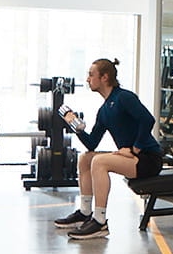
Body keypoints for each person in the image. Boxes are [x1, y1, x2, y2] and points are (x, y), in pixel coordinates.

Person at [54, 58, 163, 240]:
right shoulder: (104, 110)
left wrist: (135, 148)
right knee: (85, 158)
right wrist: (76, 126)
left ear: (104, 77)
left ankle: (100, 221)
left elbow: (148, 120)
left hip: (148, 159)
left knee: (99, 162)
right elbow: (91, 144)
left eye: (91, 75)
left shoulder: (124, 97)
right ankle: (85, 212)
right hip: (131, 157)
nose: (88, 79)